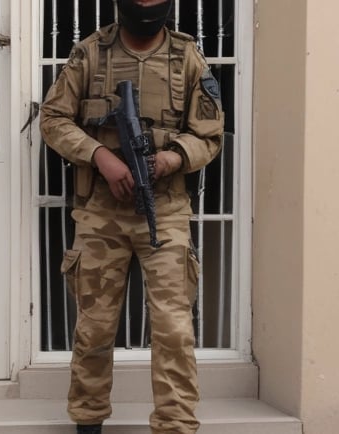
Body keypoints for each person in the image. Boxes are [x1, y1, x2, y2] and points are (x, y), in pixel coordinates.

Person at [39, 1, 223, 433]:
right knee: (95, 328)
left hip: (166, 210)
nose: (145, 6)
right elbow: (52, 118)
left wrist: (173, 158)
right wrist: (99, 154)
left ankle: (175, 424)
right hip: (101, 211)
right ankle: (87, 420)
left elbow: (209, 134)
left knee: (174, 330)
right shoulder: (91, 54)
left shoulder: (187, 58)